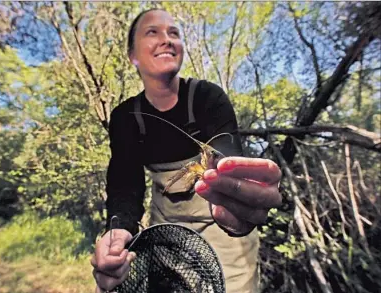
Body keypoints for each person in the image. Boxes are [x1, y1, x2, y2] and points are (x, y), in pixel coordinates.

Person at [91, 8, 282, 293]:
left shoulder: (209, 97)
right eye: (152, 32)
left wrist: (241, 204)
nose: (166, 39)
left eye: (174, 33)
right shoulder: (126, 117)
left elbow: (227, 154)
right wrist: (118, 229)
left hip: (226, 240)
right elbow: (124, 184)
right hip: (167, 234)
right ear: (133, 55)